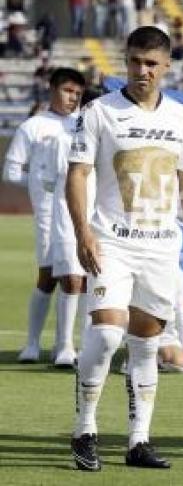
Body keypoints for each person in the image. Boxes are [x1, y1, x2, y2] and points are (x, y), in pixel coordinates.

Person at [67, 26, 183, 472]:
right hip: (110, 241)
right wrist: (82, 234)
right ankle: (84, 430)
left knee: (146, 343)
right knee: (108, 333)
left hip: (162, 248)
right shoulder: (98, 112)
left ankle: (138, 441)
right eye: (134, 61)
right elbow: (78, 175)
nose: (142, 71)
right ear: (125, 61)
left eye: (151, 63)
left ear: (167, 65)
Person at [3, 68, 86, 364]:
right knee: (48, 276)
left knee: (76, 277)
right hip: (47, 211)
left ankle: (65, 346)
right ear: (52, 90)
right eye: (67, 91)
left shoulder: (83, 125)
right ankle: (33, 344)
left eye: (77, 93)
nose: (72, 98)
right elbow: (11, 171)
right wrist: (41, 185)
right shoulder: (34, 127)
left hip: (76, 209)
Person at [42, 72, 96, 369]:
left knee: (91, 279)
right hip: (66, 214)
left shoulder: (109, 135)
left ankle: (87, 344)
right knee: (72, 280)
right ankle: (63, 345)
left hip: (99, 215)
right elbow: (49, 181)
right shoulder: (63, 139)